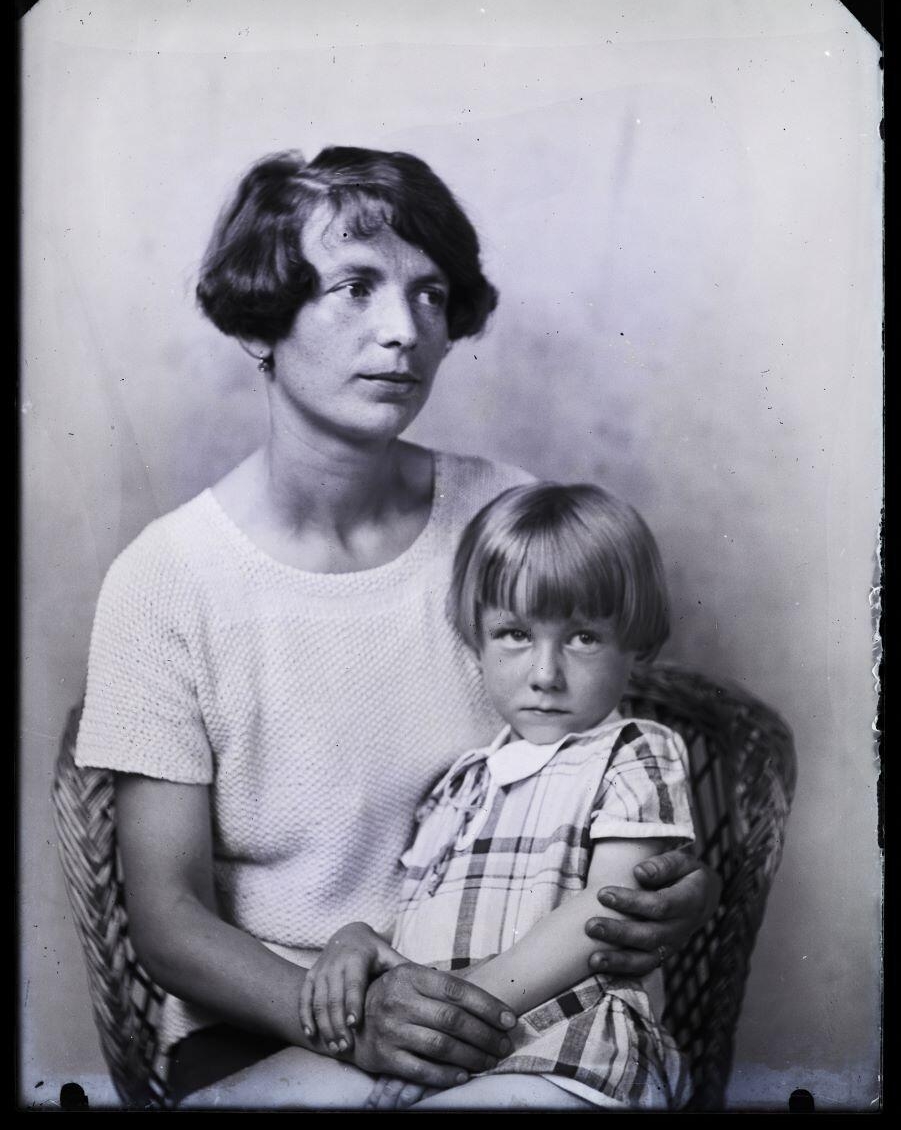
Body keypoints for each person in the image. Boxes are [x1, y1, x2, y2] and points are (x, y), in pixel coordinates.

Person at [74, 146, 720, 1109]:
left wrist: (674, 894)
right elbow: (166, 915)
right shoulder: (165, 580)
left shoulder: (505, 512)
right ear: (263, 318)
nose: (404, 332)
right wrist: (333, 1014)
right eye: (354, 287)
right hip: (275, 1025)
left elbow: (605, 763)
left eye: (428, 296)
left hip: (517, 1013)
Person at [299, 482, 694, 1111]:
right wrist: (357, 940)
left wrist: (452, 1018)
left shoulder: (636, 750)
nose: (545, 672)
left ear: (635, 644)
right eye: (513, 633)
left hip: (564, 1048)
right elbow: (418, 918)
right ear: (475, 638)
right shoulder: (461, 782)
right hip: (428, 1038)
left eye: (583, 637)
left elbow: (609, 911)